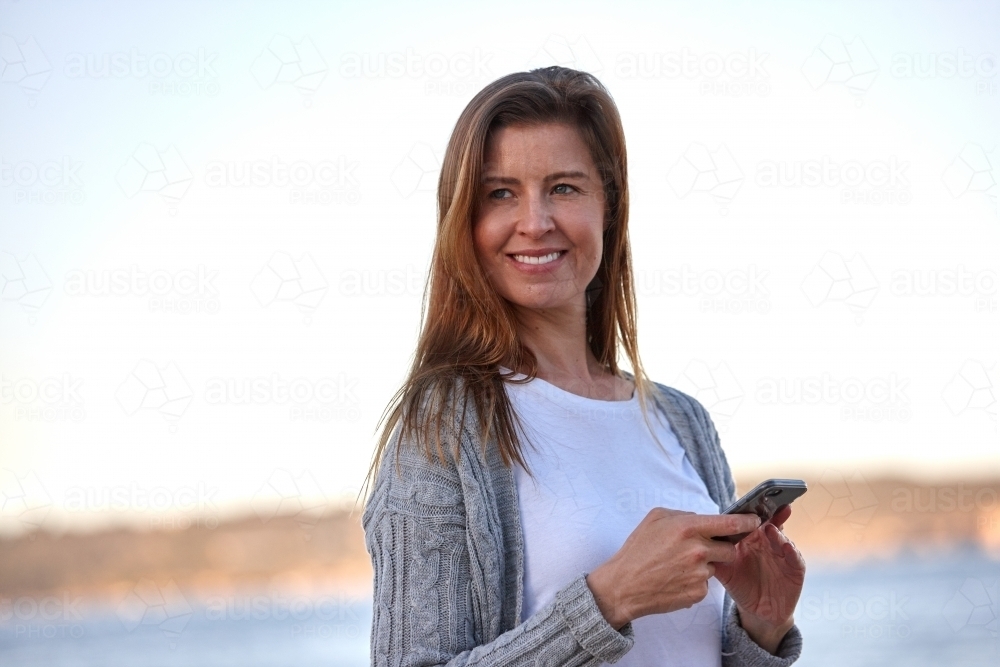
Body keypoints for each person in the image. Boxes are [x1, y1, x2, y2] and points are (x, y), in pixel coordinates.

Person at [361, 66, 805, 666]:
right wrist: (609, 599)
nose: (535, 221)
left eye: (565, 188)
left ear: (608, 207)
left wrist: (762, 625)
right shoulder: (441, 427)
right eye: (500, 193)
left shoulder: (681, 420)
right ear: (464, 220)